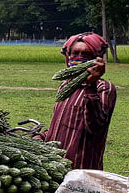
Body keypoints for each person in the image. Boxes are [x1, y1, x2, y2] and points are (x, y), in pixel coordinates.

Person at [44, 32, 116, 170]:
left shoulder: (104, 88)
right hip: (55, 165)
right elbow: (59, 124)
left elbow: (95, 128)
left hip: (81, 169)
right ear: (68, 56)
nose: (79, 57)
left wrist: (91, 85)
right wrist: (42, 136)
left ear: (97, 58)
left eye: (86, 54)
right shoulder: (65, 86)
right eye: (75, 53)